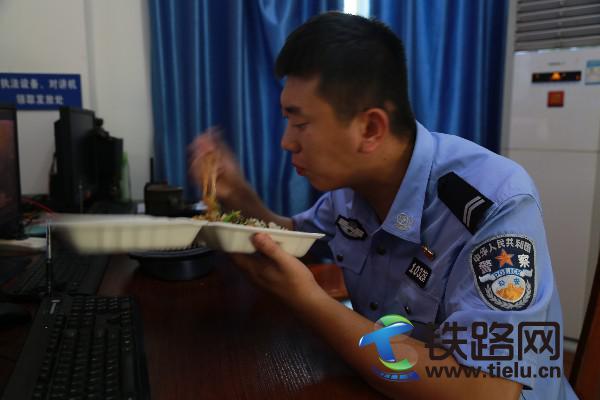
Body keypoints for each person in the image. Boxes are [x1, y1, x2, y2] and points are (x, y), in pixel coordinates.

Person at [190, 12, 576, 400]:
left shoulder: (495, 202)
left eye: (301, 123)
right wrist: (237, 194)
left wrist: (307, 300)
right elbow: (292, 239)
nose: (286, 142)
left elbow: (487, 390)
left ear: (371, 128)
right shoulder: (349, 192)